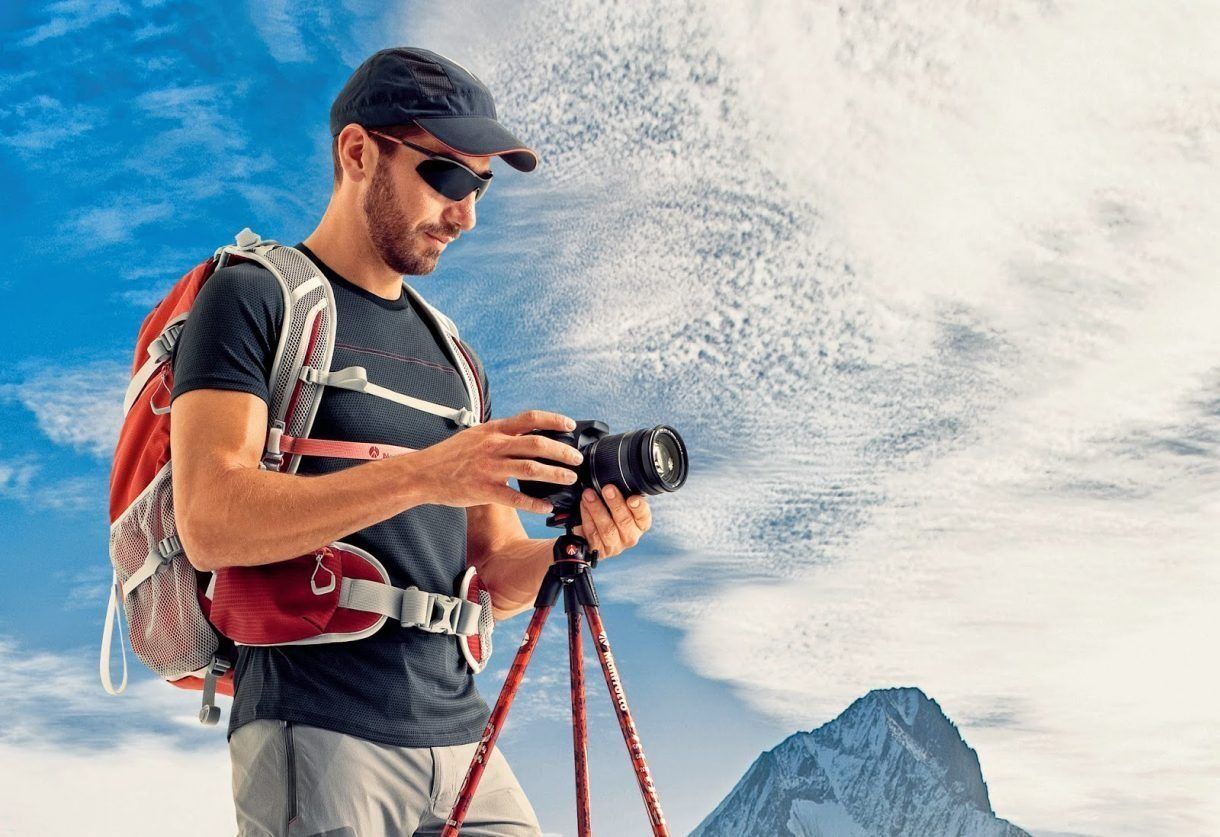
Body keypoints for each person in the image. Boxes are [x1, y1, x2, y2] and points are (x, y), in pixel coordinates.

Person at [169, 47, 653, 836]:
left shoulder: (457, 362)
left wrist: (572, 551)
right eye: (447, 177)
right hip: (312, 724)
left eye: (481, 185)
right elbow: (211, 516)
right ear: (359, 153)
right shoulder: (256, 297)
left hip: (462, 733)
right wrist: (425, 474)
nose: (467, 212)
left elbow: (492, 573)